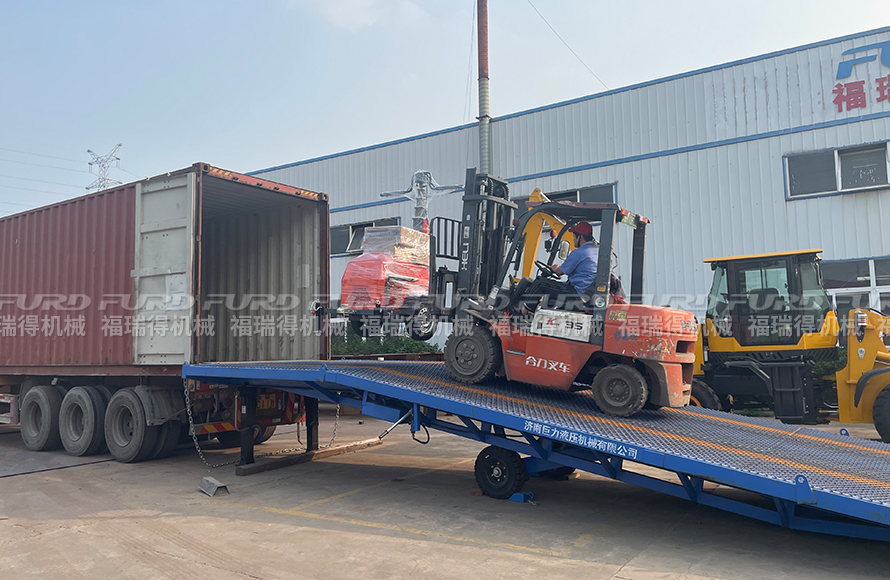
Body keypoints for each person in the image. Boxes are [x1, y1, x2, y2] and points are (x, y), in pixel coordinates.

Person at [552, 222, 598, 294]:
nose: (573, 240)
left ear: (580, 237)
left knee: (540, 284)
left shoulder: (579, 252)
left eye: (574, 237)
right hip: (590, 290)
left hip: (578, 291)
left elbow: (559, 272)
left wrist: (553, 267)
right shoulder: (598, 251)